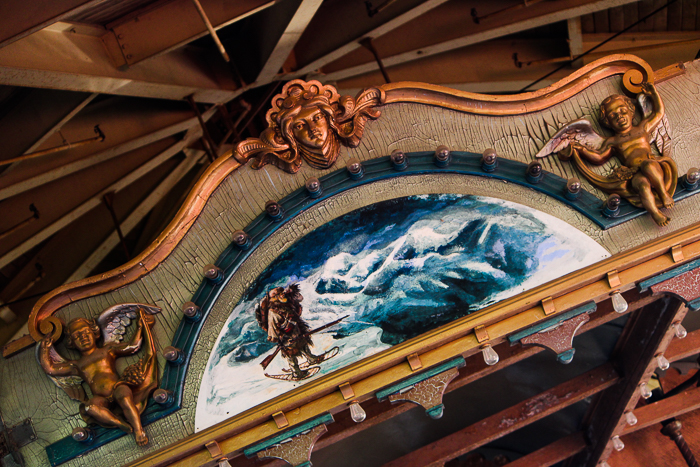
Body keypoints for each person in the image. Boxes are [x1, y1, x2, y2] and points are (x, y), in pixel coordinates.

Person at [38, 309, 157, 446]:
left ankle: (138, 430)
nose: (83, 337)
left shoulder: (107, 350)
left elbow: (133, 346)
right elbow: (51, 369)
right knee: (90, 408)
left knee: (124, 396)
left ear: (94, 333)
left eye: (85, 332)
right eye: (77, 336)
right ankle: (119, 423)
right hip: (101, 398)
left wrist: (140, 327)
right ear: (71, 343)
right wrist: (44, 349)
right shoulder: (77, 365)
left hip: (116, 387)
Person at [567, 82, 674, 225]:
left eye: (622, 111)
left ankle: (663, 194)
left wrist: (654, 93)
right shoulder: (613, 141)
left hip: (653, 167)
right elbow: (599, 157)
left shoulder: (642, 128)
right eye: (613, 116)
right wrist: (582, 150)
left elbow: (658, 113)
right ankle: (655, 213)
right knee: (641, 184)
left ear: (631, 111)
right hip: (634, 173)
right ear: (608, 123)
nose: (620, 117)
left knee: (647, 165)